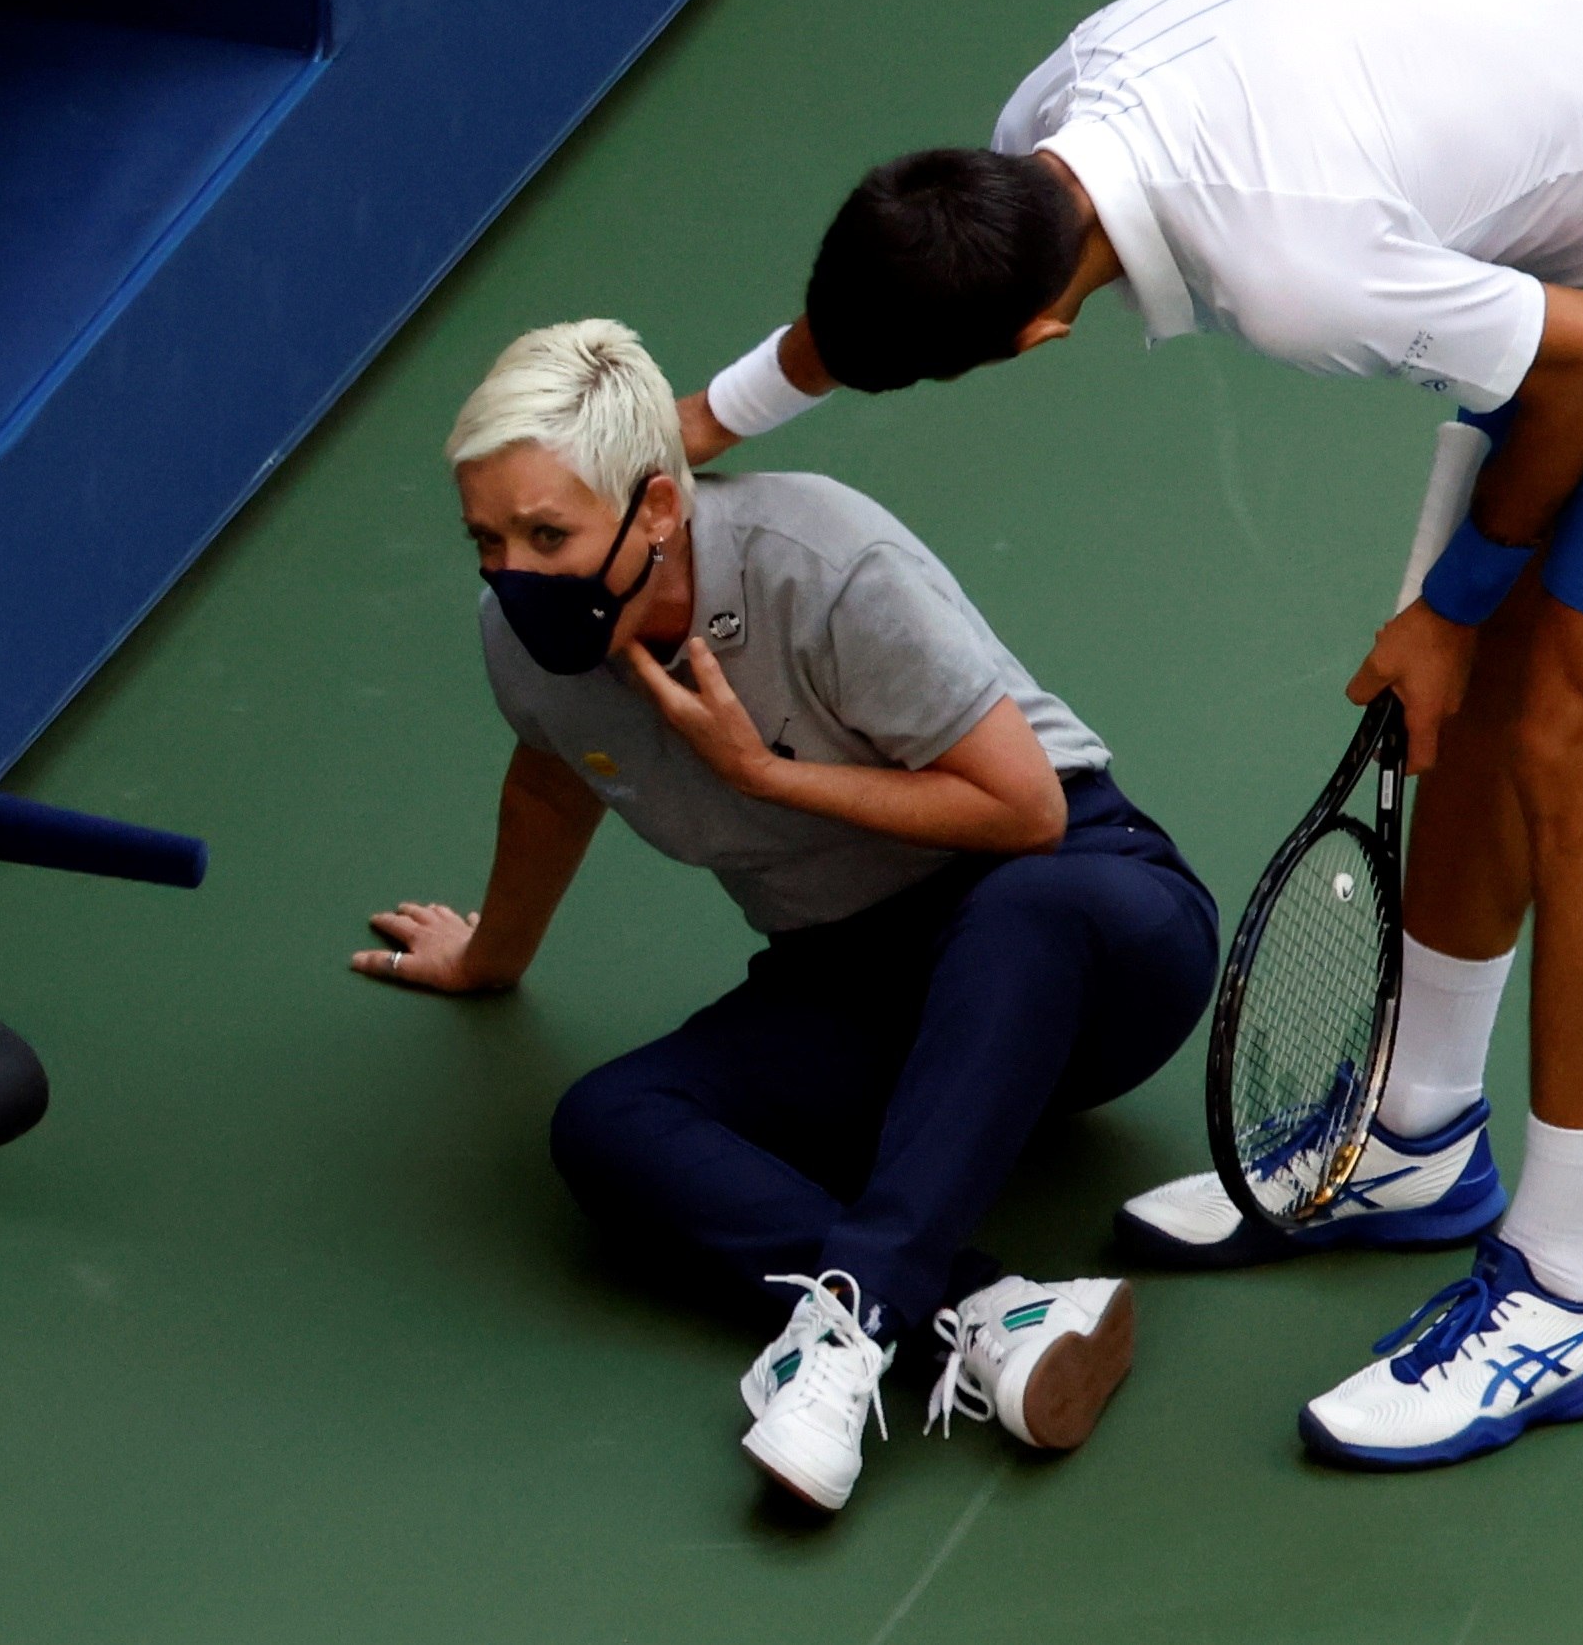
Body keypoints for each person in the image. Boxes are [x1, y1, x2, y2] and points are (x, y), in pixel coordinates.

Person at [672, 0, 1583, 1468]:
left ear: (1043, 333)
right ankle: (1415, 1137)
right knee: (1461, 719)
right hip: (1581, 154)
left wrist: (1450, 606)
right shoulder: (1039, 138)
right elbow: (868, 321)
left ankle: (1566, 1287)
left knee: (1568, 750)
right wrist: (700, 419)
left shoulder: (1297, 271)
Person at [350, 320, 1219, 1512]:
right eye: (487, 541)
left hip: (1085, 924)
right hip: (859, 974)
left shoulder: (819, 562)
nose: (514, 573)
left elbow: (1021, 812)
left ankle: (852, 1324)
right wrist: (488, 956)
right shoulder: (527, 642)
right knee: (609, 1123)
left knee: (1023, 914)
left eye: (547, 534)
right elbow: (552, 780)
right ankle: (988, 1308)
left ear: (655, 508)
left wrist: (765, 776)